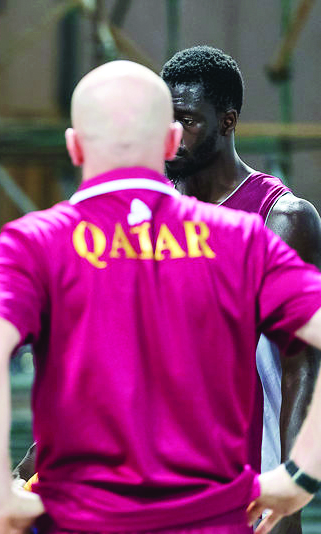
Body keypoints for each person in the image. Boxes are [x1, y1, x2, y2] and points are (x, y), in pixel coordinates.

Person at [0, 60, 321, 534]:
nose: (177, 133)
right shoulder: (236, 239)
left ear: (72, 147)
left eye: (186, 117)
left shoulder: (39, 240)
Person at [162, 45, 321, 533]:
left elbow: (302, 365)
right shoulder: (145, 211)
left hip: (243, 479)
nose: (170, 137)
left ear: (227, 121)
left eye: (186, 120)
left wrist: (290, 490)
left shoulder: (282, 220)